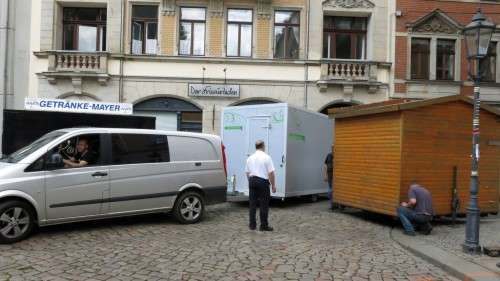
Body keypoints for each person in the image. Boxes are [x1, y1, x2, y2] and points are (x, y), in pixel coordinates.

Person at [245, 140, 276, 231]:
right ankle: (263, 225)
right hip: (262, 182)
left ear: (256, 147)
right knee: (264, 204)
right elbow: (271, 173)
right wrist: (273, 185)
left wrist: (250, 182)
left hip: (252, 180)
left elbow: (247, 172)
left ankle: (252, 225)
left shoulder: (250, 158)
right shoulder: (267, 157)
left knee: (252, 204)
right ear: (263, 146)